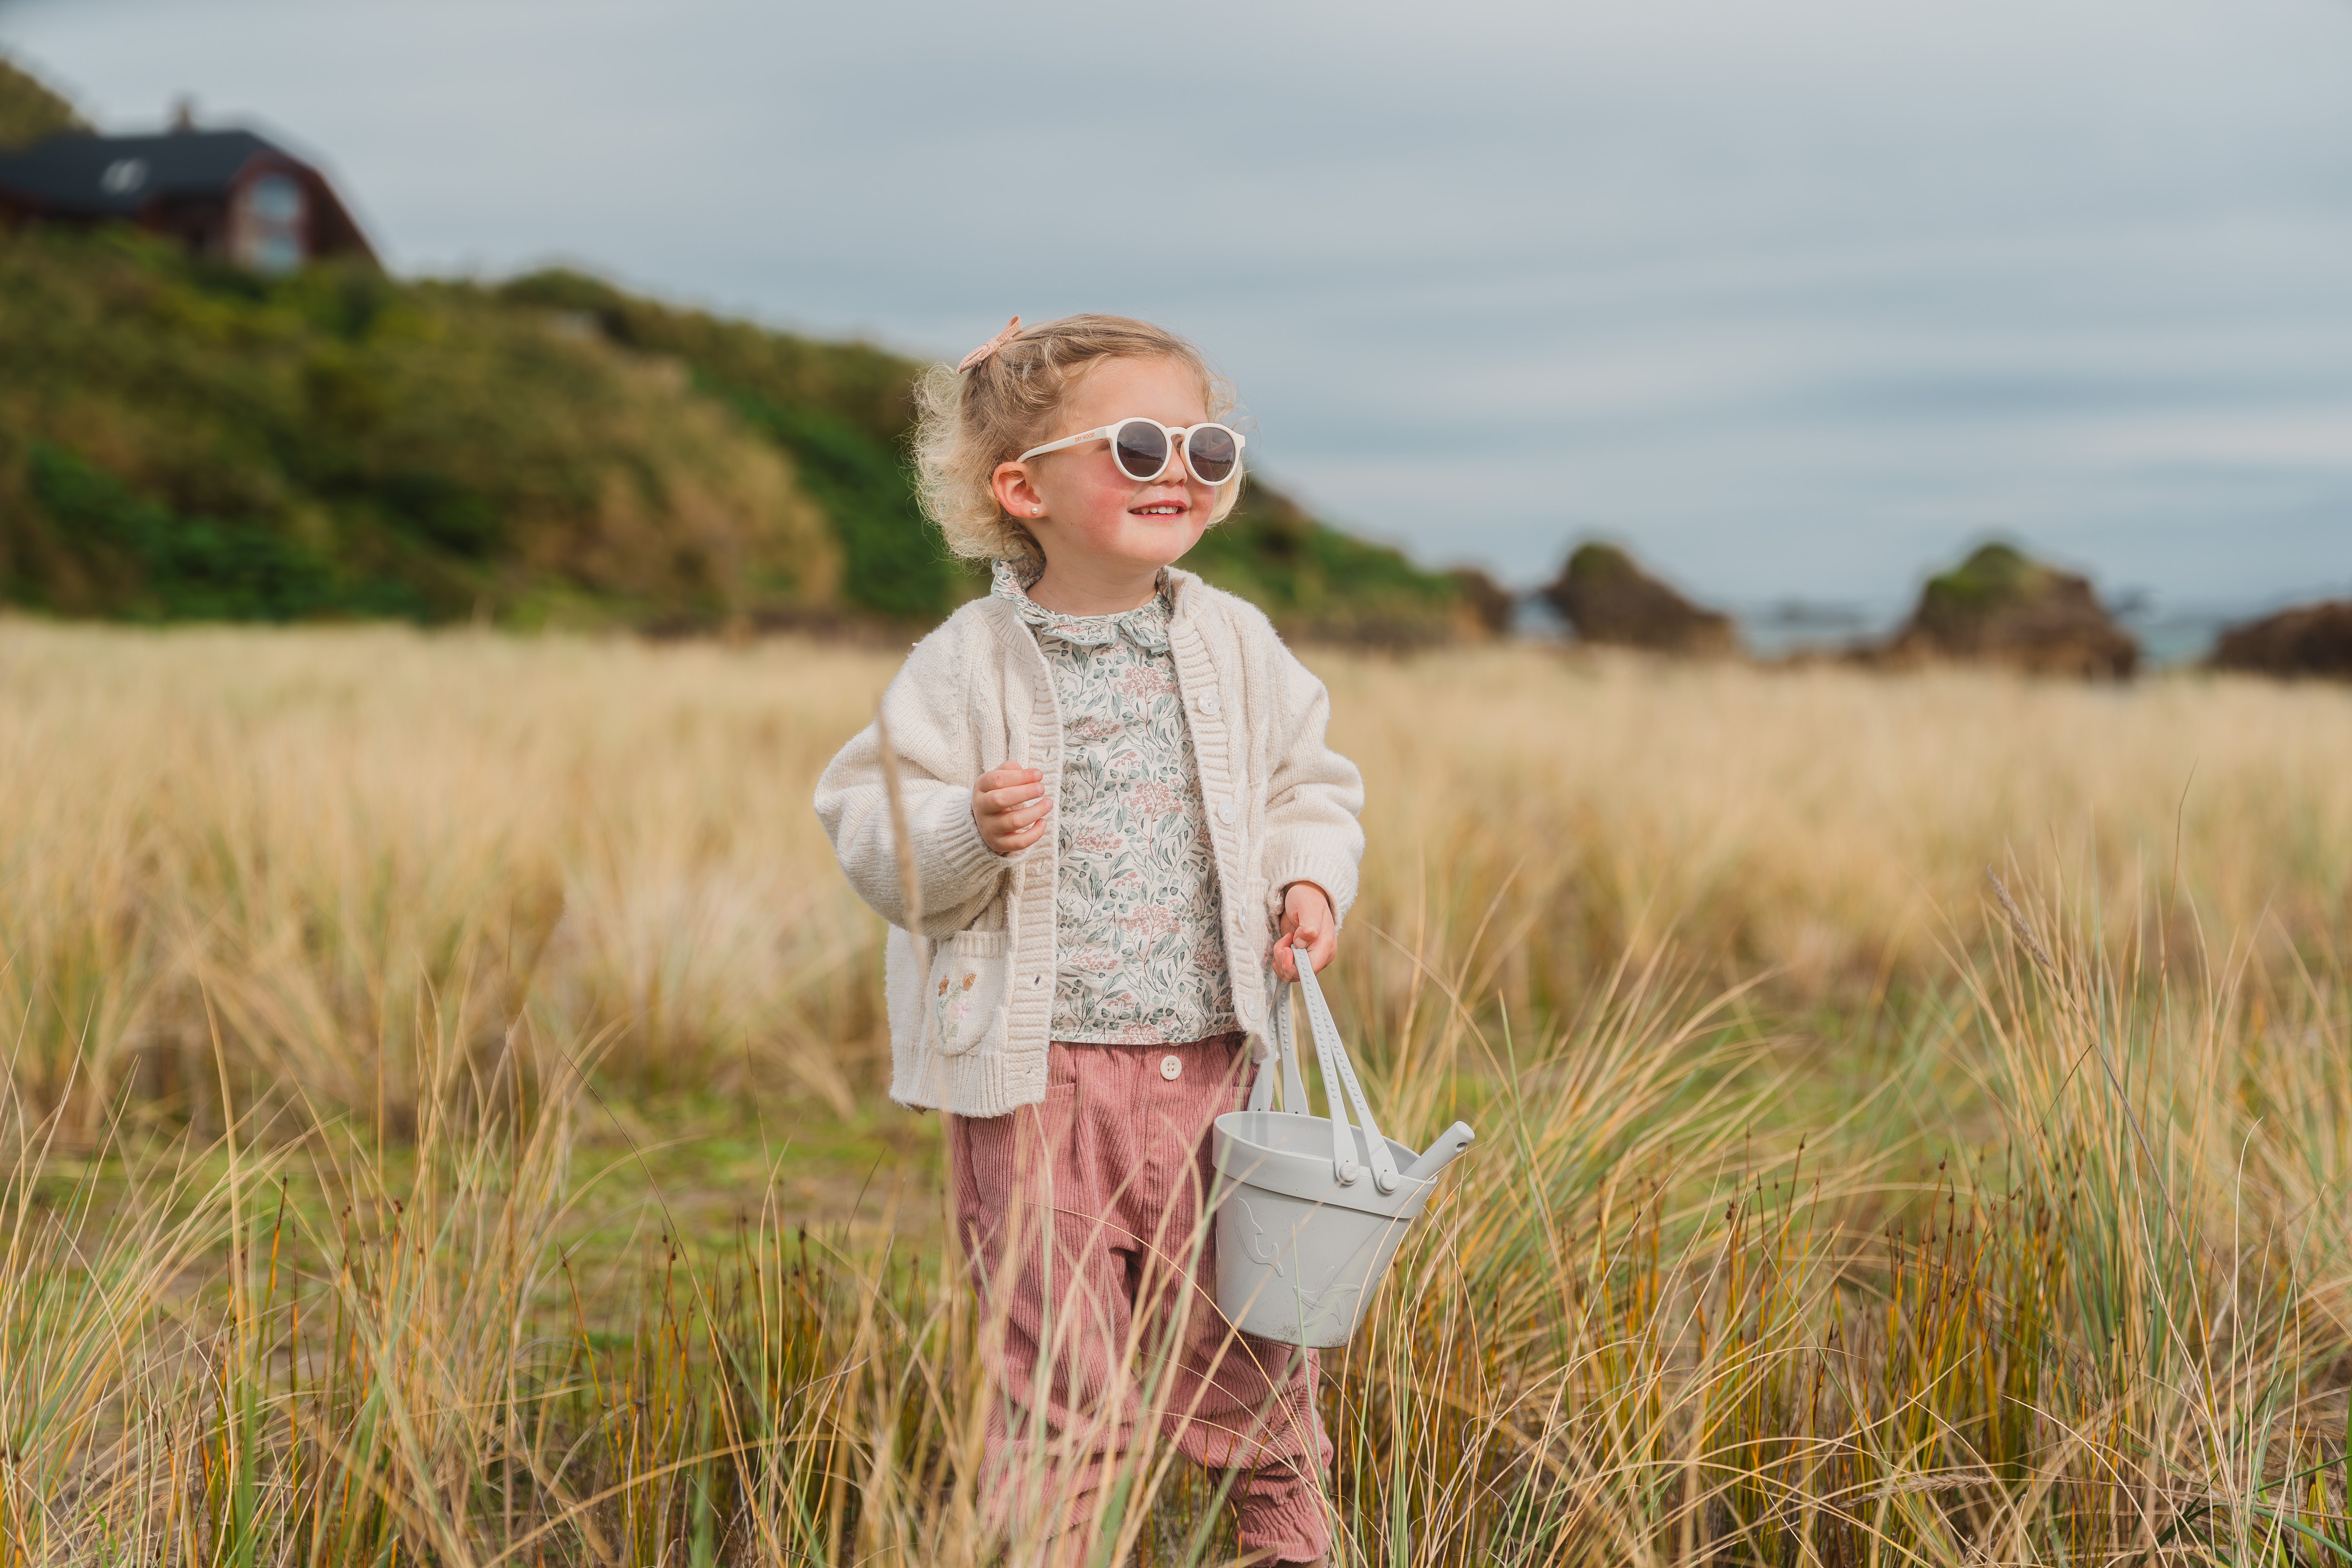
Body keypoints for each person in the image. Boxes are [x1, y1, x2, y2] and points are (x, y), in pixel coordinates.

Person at [814, 314, 1363, 1566]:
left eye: (1206, 448)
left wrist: (1308, 880)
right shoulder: (963, 665)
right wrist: (966, 828)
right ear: (1025, 491)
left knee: (1256, 1379)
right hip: (1036, 1091)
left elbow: (1310, 785)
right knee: (1064, 1399)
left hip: (1219, 1079)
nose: (1180, 471)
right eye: (1136, 446)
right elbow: (870, 823)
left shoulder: (1236, 643)